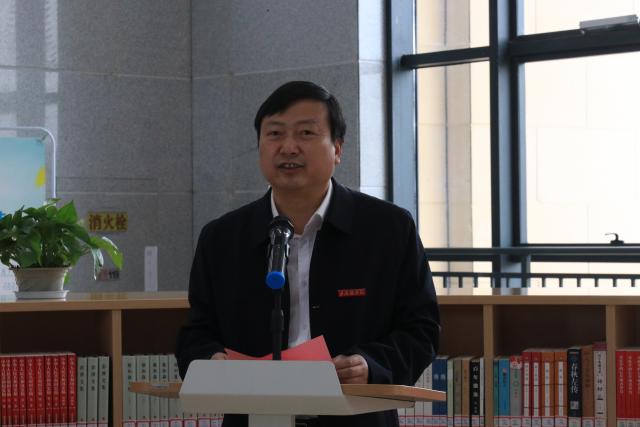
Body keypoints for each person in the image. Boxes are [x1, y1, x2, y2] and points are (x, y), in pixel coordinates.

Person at [175, 81, 440, 427]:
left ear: (337, 149)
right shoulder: (222, 238)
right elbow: (196, 333)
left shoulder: (388, 230)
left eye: (306, 133)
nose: (288, 147)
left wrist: (371, 365)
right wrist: (212, 361)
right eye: (274, 134)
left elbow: (421, 330)